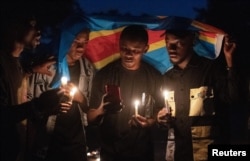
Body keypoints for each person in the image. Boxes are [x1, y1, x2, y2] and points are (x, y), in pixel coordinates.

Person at [156, 28, 238, 161]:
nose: (171, 48)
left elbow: (232, 98)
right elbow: (160, 113)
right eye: (167, 42)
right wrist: (159, 118)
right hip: (176, 154)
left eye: (179, 43)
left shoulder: (210, 69)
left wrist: (230, 60)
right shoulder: (166, 77)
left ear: (192, 41)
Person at [87, 25, 163, 161]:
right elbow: (90, 118)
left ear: (145, 49)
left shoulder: (154, 77)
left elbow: (161, 110)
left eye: (135, 50)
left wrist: (150, 122)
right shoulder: (104, 75)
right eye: (125, 49)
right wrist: (101, 110)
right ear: (119, 45)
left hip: (142, 152)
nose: (129, 54)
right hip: (110, 152)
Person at [0, 16, 66, 161]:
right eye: (32, 25)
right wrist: (39, 104)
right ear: (14, 27)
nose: (39, 31)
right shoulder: (2, 64)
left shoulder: (16, 62)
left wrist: (31, 70)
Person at [28, 24, 95, 161]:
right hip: (47, 143)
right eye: (76, 41)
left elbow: (91, 108)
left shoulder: (88, 69)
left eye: (85, 43)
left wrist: (80, 98)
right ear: (65, 39)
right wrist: (50, 108)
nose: (81, 48)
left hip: (76, 144)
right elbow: (29, 104)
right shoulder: (45, 65)